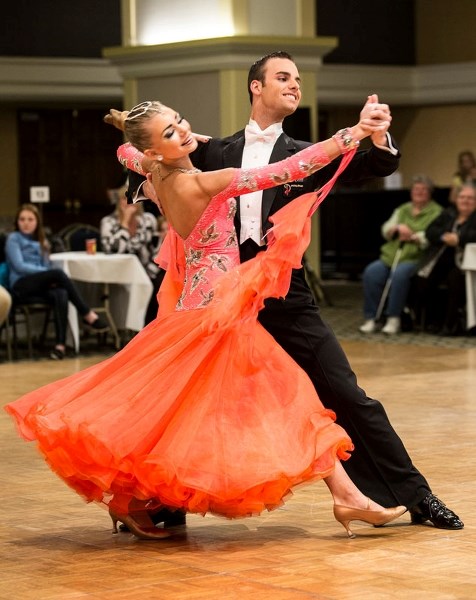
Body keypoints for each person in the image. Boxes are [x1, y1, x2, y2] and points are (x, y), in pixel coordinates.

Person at [5, 98, 408, 541]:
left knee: (184, 411)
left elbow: (124, 151)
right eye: (171, 133)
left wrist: (143, 131)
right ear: (156, 150)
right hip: (218, 312)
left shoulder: (151, 169)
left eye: (180, 121)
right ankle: (347, 497)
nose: (183, 130)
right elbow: (288, 170)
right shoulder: (203, 183)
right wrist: (350, 134)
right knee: (284, 397)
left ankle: (132, 501)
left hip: (193, 308)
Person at [107, 51, 463, 530]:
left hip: (281, 293)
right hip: (223, 301)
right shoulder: (211, 153)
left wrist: (374, 134)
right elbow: (139, 164)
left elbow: (368, 166)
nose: (294, 85)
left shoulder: (300, 150)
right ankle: (159, 501)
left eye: (298, 79)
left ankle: (414, 497)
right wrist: (162, 142)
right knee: (193, 401)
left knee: (344, 393)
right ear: (256, 86)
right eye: (282, 77)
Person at [5, 203, 109, 359]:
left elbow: (47, 265)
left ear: (37, 222)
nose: (26, 223)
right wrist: (48, 275)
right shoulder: (14, 239)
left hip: (39, 286)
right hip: (21, 285)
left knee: (60, 292)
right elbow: (20, 266)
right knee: (58, 274)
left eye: (30, 219)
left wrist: (48, 276)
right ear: (17, 222)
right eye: (22, 219)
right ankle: (86, 313)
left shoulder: (43, 241)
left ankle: (59, 346)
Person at [359, 174, 442, 335]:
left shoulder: (437, 212)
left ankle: (393, 318)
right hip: (392, 255)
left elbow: (432, 236)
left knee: (399, 275)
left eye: (423, 190)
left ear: (430, 193)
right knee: (371, 272)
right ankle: (371, 317)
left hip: (417, 257)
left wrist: (413, 236)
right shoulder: (403, 209)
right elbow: (386, 229)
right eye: (416, 189)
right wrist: (396, 229)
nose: (419, 192)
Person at [412, 184, 476, 335]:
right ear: (456, 199)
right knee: (422, 279)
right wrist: (443, 236)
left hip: (465, 265)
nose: (465, 200)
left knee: (454, 281)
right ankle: (431, 322)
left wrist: (459, 239)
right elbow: (430, 231)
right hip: (441, 259)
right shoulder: (448, 213)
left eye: (470, 198)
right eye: (462, 197)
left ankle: (451, 325)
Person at [101, 183, 162, 325]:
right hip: (121, 272)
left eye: (132, 199)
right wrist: (124, 223)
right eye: (124, 199)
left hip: (147, 269)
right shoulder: (108, 222)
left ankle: (152, 326)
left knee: (159, 283)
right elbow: (113, 250)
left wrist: (151, 271)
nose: (128, 203)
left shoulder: (148, 220)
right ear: (118, 203)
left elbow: (156, 249)